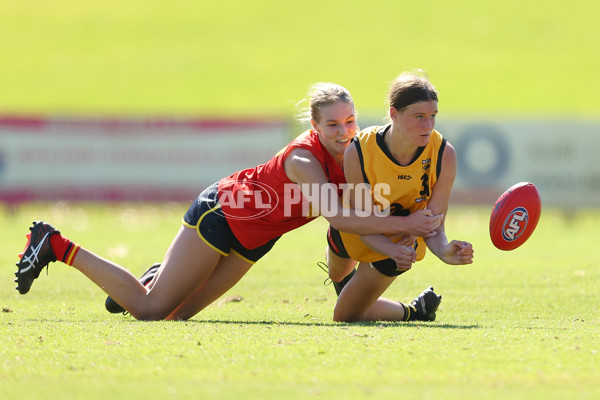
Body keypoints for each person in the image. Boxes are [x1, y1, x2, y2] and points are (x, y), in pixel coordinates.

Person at [14, 82, 443, 321]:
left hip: (254, 241)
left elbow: (358, 214)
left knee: (174, 317)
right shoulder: (303, 160)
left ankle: (411, 312)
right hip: (221, 215)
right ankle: (54, 245)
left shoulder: (354, 153)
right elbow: (338, 216)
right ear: (314, 124)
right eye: (332, 124)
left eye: (350, 121)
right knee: (152, 310)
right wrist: (409, 230)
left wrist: (398, 240)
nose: (344, 130)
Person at [325, 71, 474, 322]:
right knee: (337, 275)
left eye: (432, 117)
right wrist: (393, 244)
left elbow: (433, 224)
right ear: (394, 114)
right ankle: (356, 287)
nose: (428, 125)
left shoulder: (443, 154)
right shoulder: (360, 150)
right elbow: (363, 223)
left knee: (345, 315)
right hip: (356, 231)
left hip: (399, 243)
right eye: (419, 117)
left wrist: (445, 251)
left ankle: (415, 311)